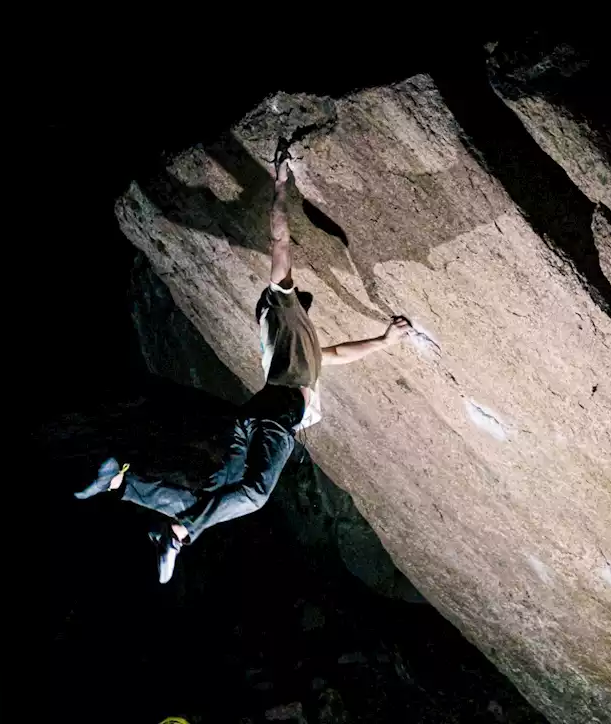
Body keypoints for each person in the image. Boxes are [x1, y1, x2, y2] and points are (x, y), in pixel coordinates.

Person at [74, 141, 413, 583]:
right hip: (272, 418)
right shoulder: (284, 305)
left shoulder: (302, 346)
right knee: (251, 496)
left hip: (257, 418)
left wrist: (386, 341)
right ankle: (175, 529)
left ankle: (123, 483)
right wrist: (279, 186)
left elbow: (338, 354)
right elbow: (279, 240)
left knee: (212, 496)